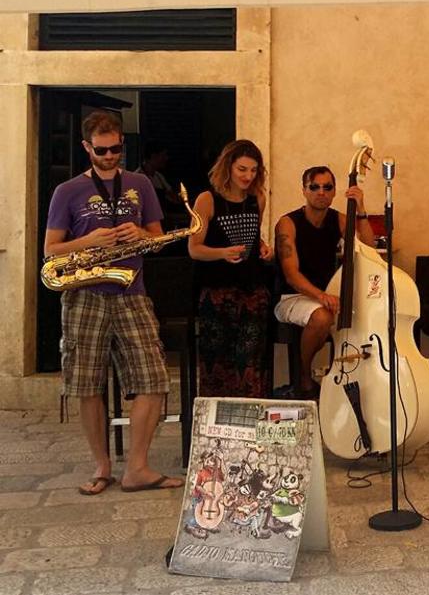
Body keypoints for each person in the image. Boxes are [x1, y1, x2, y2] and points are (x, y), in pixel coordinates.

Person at [44, 110, 183, 495]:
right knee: (87, 383)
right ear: (86, 147)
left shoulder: (140, 183)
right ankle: (102, 466)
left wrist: (140, 234)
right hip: (85, 294)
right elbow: (51, 249)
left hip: (131, 291)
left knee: (153, 378)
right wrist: (90, 241)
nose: (109, 156)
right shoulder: (67, 191)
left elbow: (156, 239)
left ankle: (137, 467)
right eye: (101, 150)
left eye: (116, 149)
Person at [274, 166, 376, 398]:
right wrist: (321, 296)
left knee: (364, 315)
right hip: (292, 297)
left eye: (327, 187)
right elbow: (291, 274)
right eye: (314, 187)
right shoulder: (288, 223)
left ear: (334, 191)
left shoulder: (338, 219)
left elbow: (369, 249)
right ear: (304, 190)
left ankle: (350, 380)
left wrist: (360, 209)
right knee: (322, 317)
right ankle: (303, 376)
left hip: (325, 296)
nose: (321, 192)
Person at [188, 139, 273, 398]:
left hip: (252, 289)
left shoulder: (258, 199)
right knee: (216, 362)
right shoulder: (207, 200)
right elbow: (194, 248)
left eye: (253, 170)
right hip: (217, 291)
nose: (248, 176)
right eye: (242, 169)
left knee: (250, 361)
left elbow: (251, 235)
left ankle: (250, 413)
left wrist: (262, 246)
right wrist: (222, 253)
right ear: (228, 168)